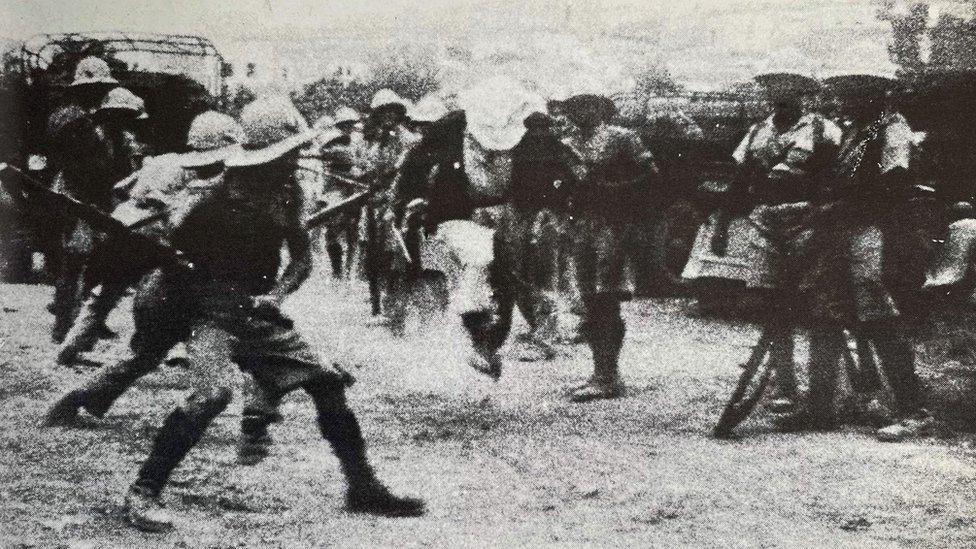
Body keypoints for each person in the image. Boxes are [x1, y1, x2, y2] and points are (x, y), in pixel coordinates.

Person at [94, 97, 423, 531]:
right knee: (211, 395)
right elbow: (154, 256)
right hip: (200, 305)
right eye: (286, 154)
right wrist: (172, 276)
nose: (294, 161)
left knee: (326, 381)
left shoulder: (289, 193)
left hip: (249, 307)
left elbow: (302, 259)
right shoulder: (209, 196)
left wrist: (278, 297)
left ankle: (362, 486)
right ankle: (143, 491)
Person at [780, 75, 933, 439]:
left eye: (853, 93)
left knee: (877, 314)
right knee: (825, 311)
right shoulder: (857, 131)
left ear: (874, 93)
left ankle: (915, 410)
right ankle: (820, 407)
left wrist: (841, 205)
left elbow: (893, 185)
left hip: (876, 230)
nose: (844, 101)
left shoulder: (893, 129)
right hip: (842, 228)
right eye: (843, 94)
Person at [683, 73, 842, 412]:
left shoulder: (823, 130)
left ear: (802, 96)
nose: (782, 98)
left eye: (790, 93)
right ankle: (783, 385)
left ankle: (823, 394)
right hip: (766, 217)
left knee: (815, 303)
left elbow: (837, 176)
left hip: (809, 218)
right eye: (775, 92)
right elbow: (740, 180)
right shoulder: (757, 132)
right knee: (770, 302)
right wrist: (723, 224)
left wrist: (825, 210)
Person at [53, 110, 240, 366]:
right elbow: (185, 216)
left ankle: (71, 347)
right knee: (178, 289)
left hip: (124, 223)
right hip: (157, 233)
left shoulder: (160, 161)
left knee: (106, 293)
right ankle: (171, 349)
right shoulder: (204, 175)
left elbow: (120, 189)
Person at [560, 93, 659, 402]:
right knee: (589, 298)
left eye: (590, 105)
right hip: (582, 223)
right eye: (577, 106)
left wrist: (616, 190)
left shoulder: (622, 138)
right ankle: (599, 371)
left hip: (614, 224)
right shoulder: (567, 143)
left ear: (602, 108)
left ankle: (608, 374)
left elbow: (651, 175)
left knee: (607, 298)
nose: (583, 111)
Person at [49, 85, 149, 343]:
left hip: (101, 201)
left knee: (101, 262)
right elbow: (77, 174)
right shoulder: (90, 136)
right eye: (118, 114)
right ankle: (62, 326)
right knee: (74, 260)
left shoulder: (122, 140)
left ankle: (92, 320)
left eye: (127, 116)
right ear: (107, 113)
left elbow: (122, 176)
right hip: (76, 199)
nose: (122, 120)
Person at [358, 89, 421, 319]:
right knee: (373, 255)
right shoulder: (375, 139)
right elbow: (367, 165)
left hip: (396, 200)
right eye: (383, 112)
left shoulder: (405, 137)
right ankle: (377, 306)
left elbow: (403, 167)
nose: (387, 117)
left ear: (397, 113)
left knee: (394, 254)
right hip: (375, 200)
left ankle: (394, 306)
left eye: (391, 112)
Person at [318, 106, 365, 278]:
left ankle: (347, 271)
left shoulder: (357, 143)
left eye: (350, 124)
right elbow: (325, 159)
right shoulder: (331, 143)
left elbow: (361, 164)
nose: (347, 128)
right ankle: (337, 271)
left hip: (353, 190)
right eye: (344, 125)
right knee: (332, 232)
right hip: (334, 191)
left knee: (353, 232)